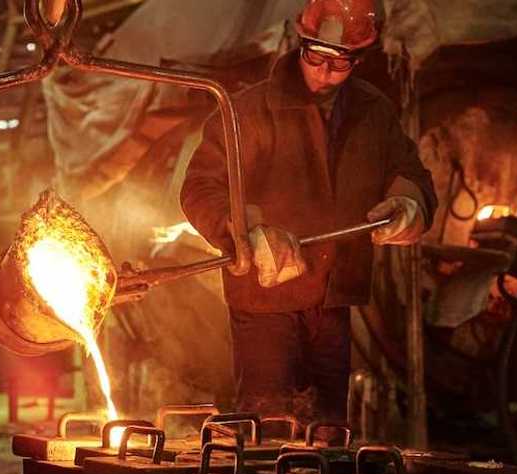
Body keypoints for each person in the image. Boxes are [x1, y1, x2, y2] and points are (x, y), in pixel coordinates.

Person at [181, 0, 436, 424]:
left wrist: (409, 203)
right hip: (266, 299)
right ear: (301, 42)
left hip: (333, 297)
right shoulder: (250, 111)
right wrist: (250, 228)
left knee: (327, 431)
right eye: (315, 57)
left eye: (339, 64)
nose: (323, 73)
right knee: (271, 425)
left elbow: (412, 174)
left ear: (359, 58)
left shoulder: (374, 113)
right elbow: (201, 187)